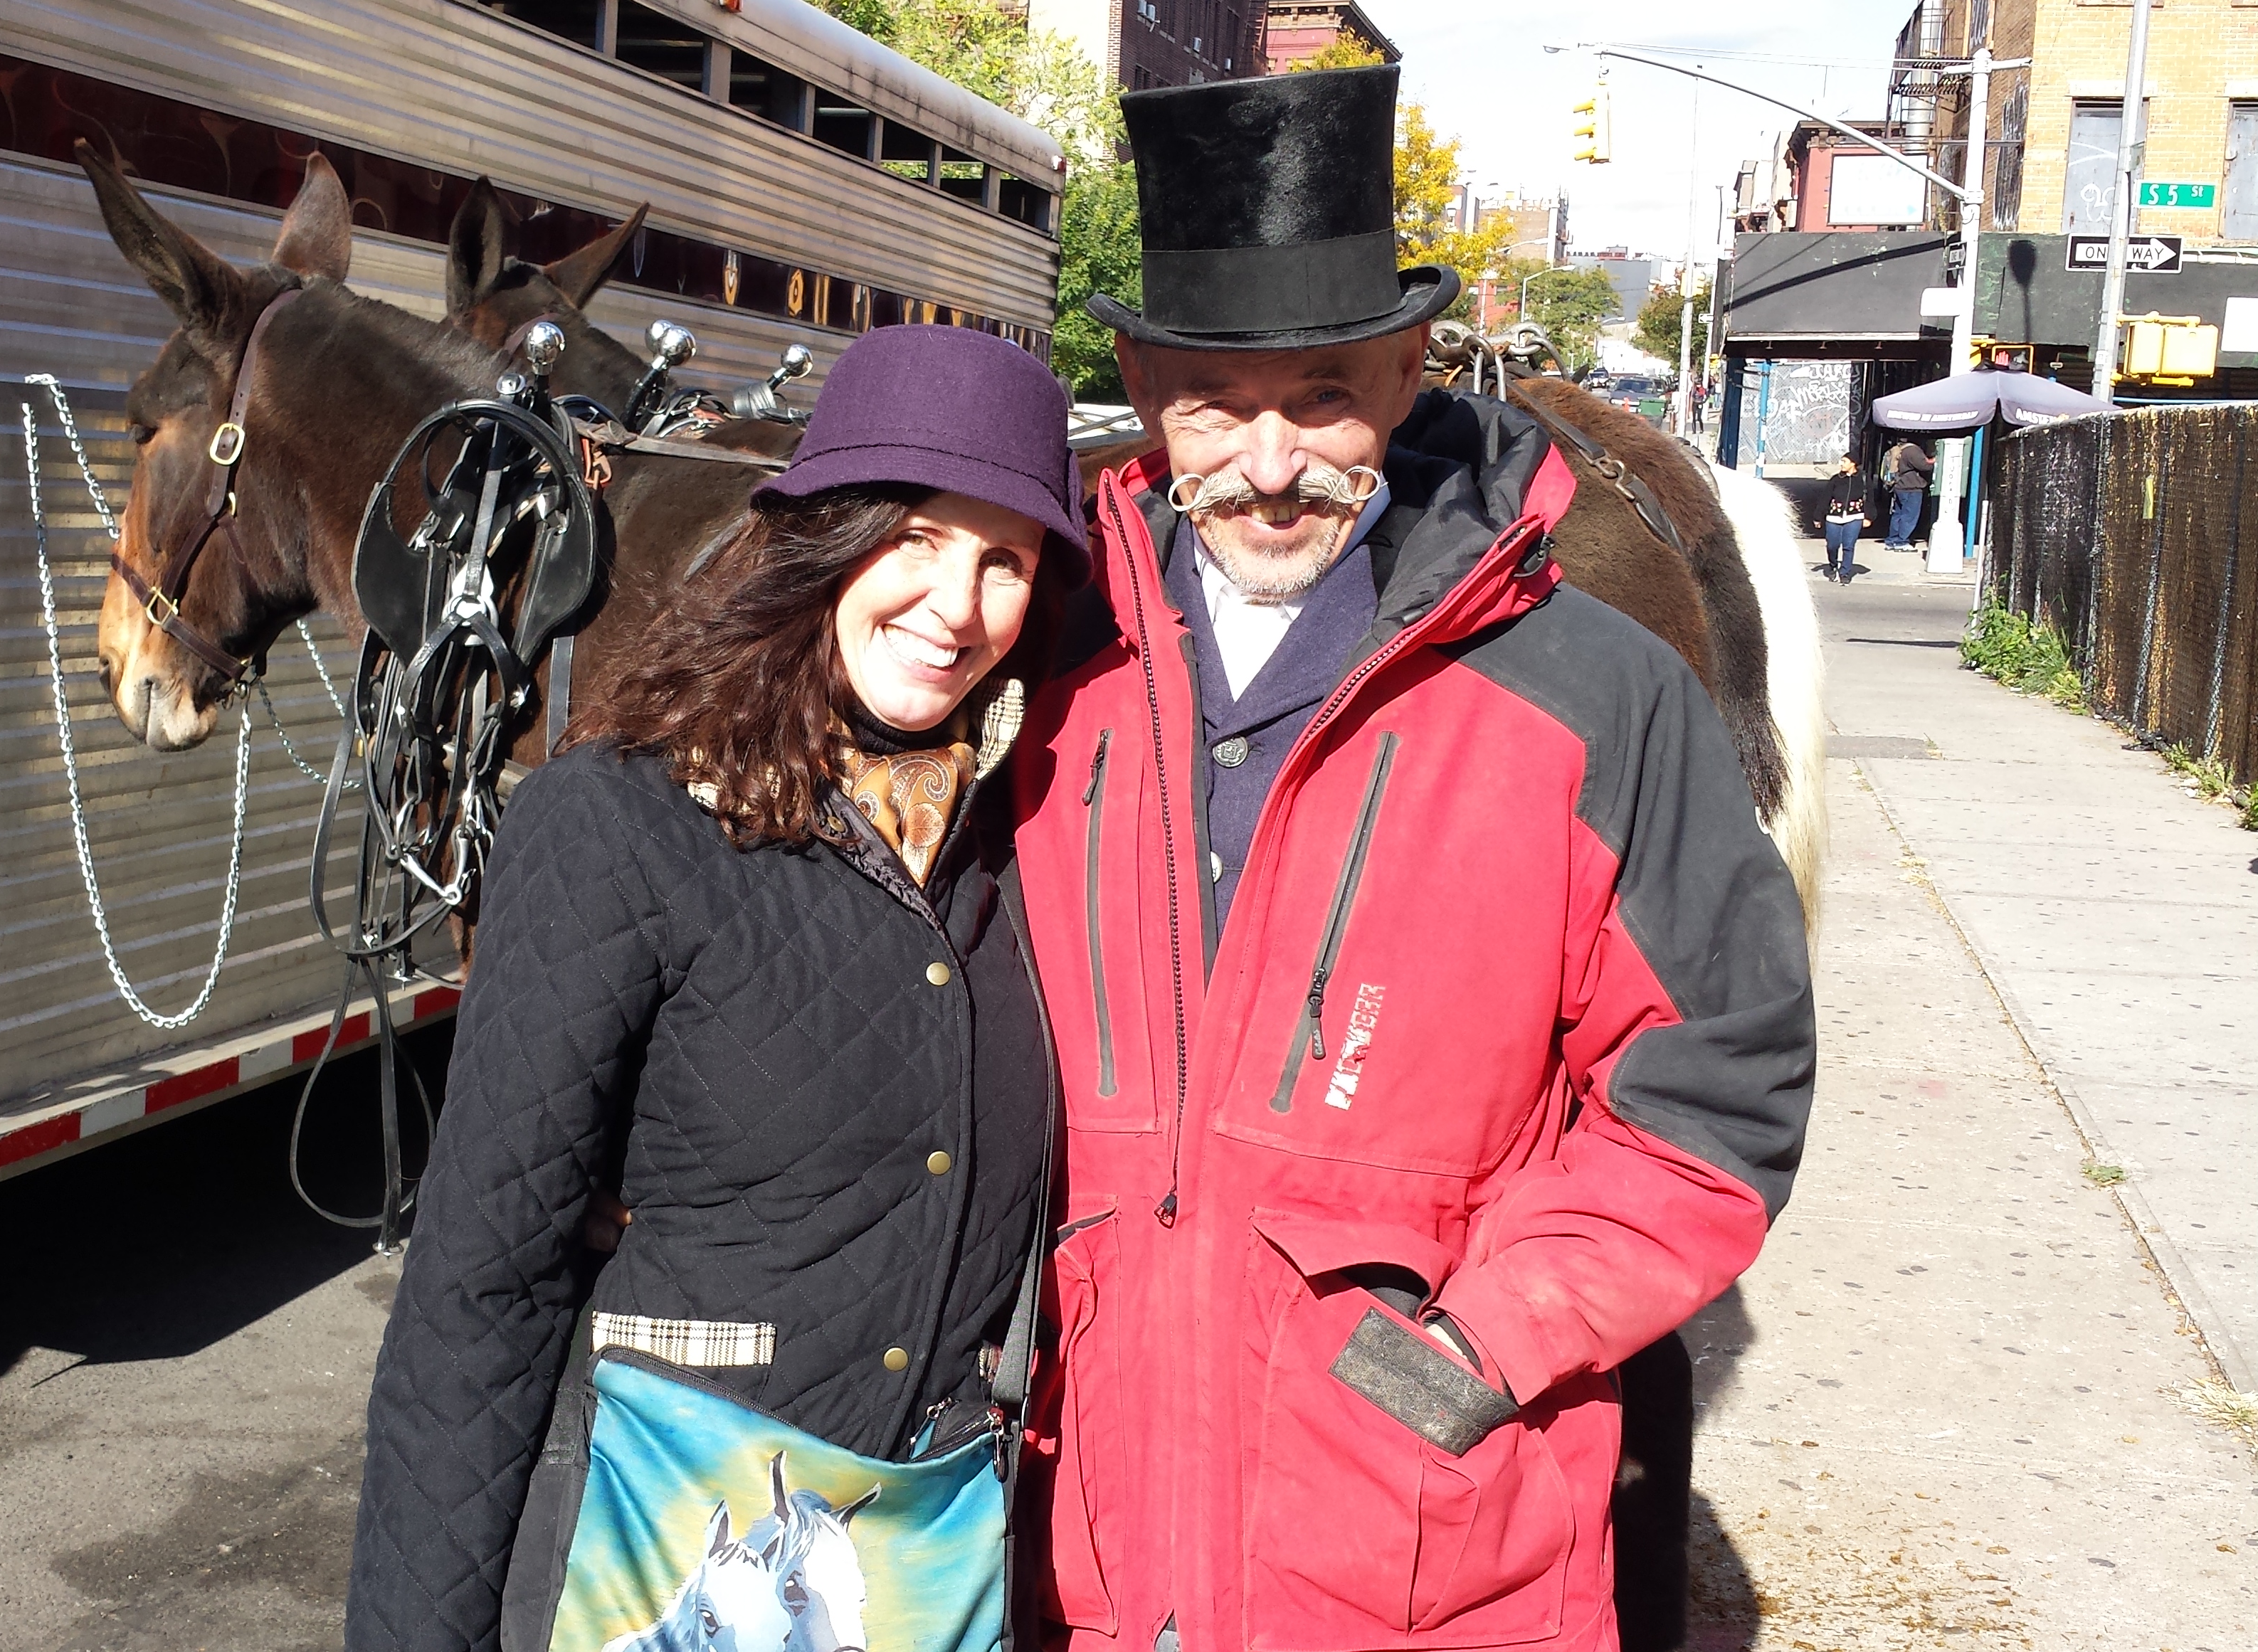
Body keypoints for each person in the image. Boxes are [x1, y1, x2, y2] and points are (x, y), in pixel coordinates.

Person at [1004, 67, 1815, 1652]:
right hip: (1077, 1548)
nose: (1270, 460)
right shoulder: (1042, 669)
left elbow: (1716, 1087)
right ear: (1136, 384)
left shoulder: (1594, 695)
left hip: (1422, 1561)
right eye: (1215, 404)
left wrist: (1473, 1352)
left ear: (1407, 374)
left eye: (1323, 396)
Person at [345, 324, 1087, 1652]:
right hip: (660, 1565)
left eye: (1004, 561)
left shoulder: (1018, 853)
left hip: (916, 1584)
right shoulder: (615, 822)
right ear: (819, 537)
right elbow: (479, 1292)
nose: (954, 604)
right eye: (911, 536)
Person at [1884, 436, 1934, 548]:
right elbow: (1925, 466)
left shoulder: (1899, 449)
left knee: (1898, 514)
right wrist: (1934, 461)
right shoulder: (1913, 450)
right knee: (1910, 516)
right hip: (1911, 487)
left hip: (1899, 486)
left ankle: (1892, 540)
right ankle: (1902, 542)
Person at [1825, 454, 1866, 583]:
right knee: (1832, 545)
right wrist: (1818, 516)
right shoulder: (1835, 479)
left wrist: (1869, 516)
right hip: (1834, 517)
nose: (1841, 464)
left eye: (1844, 461)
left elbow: (1869, 498)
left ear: (1853, 464)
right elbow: (1825, 498)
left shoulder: (1862, 479)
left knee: (1849, 546)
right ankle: (1833, 566)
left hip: (1855, 517)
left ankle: (1845, 573)